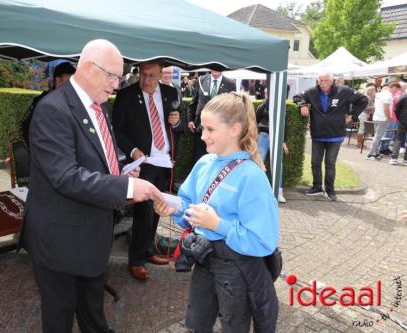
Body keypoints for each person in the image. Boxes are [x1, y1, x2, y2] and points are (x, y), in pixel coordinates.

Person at [19, 39, 163, 333]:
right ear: (87, 68)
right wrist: (124, 188)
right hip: (60, 241)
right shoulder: (52, 109)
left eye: (120, 78)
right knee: (59, 319)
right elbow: (66, 176)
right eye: (112, 76)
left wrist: (123, 174)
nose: (116, 85)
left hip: (92, 236)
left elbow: (96, 161)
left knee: (93, 315)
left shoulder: (98, 106)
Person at [155, 93, 279, 333]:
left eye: (211, 129)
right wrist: (174, 208)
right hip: (204, 258)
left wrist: (217, 224)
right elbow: (189, 205)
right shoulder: (204, 163)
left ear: (234, 129)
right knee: (197, 323)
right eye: (203, 128)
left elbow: (263, 241)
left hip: (237, 267)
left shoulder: (252, 177)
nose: (203, 136)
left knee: (234, 326)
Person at [112, 61, 181, 281]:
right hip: (144, 161)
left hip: (166, 161)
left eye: (152, 76)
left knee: (159, 207)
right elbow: (117, 128)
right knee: (144, 212)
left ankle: (149, 251)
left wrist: (178, 121)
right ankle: (136, 260)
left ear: (161, 74)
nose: (146, 80)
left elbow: (182, 124)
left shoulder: (171, 93)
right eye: (143, 74)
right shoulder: (127, 95)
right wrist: (132, 151)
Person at [293, 72, 368, 201]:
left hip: (335, 134)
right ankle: (317, 187)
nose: (323, 83)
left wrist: (352, 114)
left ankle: (330, 190)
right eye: (320, 80)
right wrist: (303, 105)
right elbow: (297, 96)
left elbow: (363, 100)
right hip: (318, 134)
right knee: (315, 162)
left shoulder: (344, 91)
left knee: (330, 163)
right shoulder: (312, 91)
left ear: (332, 80)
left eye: (326, 80)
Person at [20, 61, 76, 148]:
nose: (72, 88)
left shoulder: (72, 101)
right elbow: (24, 125)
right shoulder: (42, 101)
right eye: (69, 83)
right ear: (58, 80)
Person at [188, 70, 236, 164]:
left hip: (220, 128)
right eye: (213, 67)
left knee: (217, 158)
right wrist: (190, 120)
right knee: (199, 157)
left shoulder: (230, 83)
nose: (216, 69)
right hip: (201, 127)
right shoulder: (201, 80)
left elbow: (232, 107)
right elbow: (194, 101)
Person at [256, 88, 289, 203]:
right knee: (258, 162)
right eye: (266, 93)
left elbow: (285, 125)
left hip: (277, 137)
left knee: (278, 164)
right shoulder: (262, 107)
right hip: (263, 136)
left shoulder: (281, 107)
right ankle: (258, 190)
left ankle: (279, 191)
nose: (267, 95)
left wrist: (284, 141)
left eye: (268, 93)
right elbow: (255, 123)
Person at [365, 82, 400, 160]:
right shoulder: (388, 95)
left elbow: (371, 97)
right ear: (393, 87)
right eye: (397, 89)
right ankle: (370, 154)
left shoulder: (380, 93)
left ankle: (376, 153)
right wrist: (389, 117)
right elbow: (386, 108)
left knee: (377, 137)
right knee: (377, 137)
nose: (396, 91)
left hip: (377, 117)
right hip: (382, 119)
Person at [389, 89, 407, 165]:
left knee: (398, 139)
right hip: (402, 119)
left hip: (402, 120)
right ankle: (405, 160)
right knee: (398, 139)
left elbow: (396, 109)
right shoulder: (404, 96)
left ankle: (394, 158)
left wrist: (399, 118)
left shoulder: (403, 96)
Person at [356, 84, 376, 148]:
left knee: (362, 129)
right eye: (373, 90)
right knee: (362, 129)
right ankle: (359, 143)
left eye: (374, 90)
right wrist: (374, 107)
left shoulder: (370, 97)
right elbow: (365, 107)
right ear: (369, 91)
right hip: (363, 114)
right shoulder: (366, 98)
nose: (374, 91)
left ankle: (360, 143)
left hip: (365, 114)